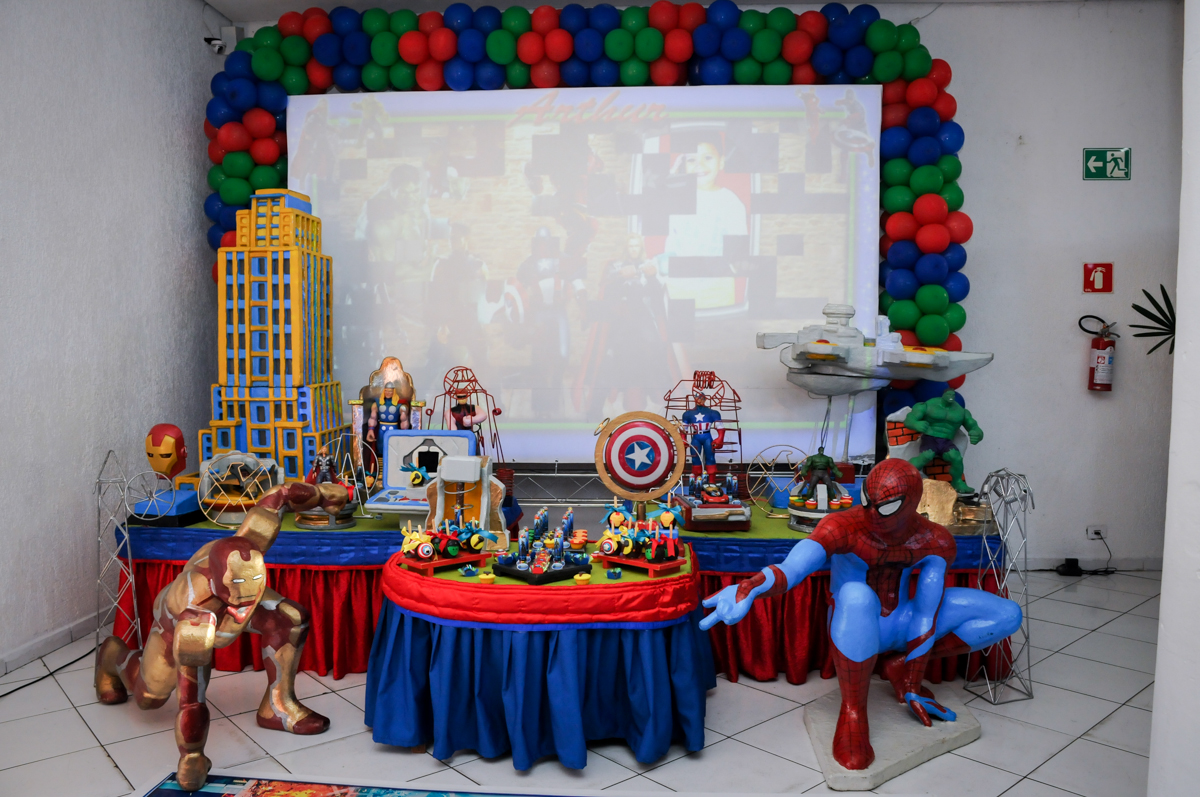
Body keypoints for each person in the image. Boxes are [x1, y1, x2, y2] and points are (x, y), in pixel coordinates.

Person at [700, 459, 1022, 772]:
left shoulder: (934, 539)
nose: (869, 513)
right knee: (857, 596)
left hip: (902, 620)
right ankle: (853, 711)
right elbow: (793, 567)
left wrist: (912, 680)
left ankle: (897, 667)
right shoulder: (844, 525)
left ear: (909, 505)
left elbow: (926, 613)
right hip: (854, 624)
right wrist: (752, 586)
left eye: (883, 507)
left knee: (1007, 615)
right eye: (866, 500)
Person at [662, 132, 749, 313]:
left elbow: (737, 254)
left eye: (707, 157)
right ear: (683, 165)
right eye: (691, 160)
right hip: (678, 288)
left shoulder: (731, 203)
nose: (699, 165)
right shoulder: (677, 197)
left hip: (716, 290)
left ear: (722, 161)